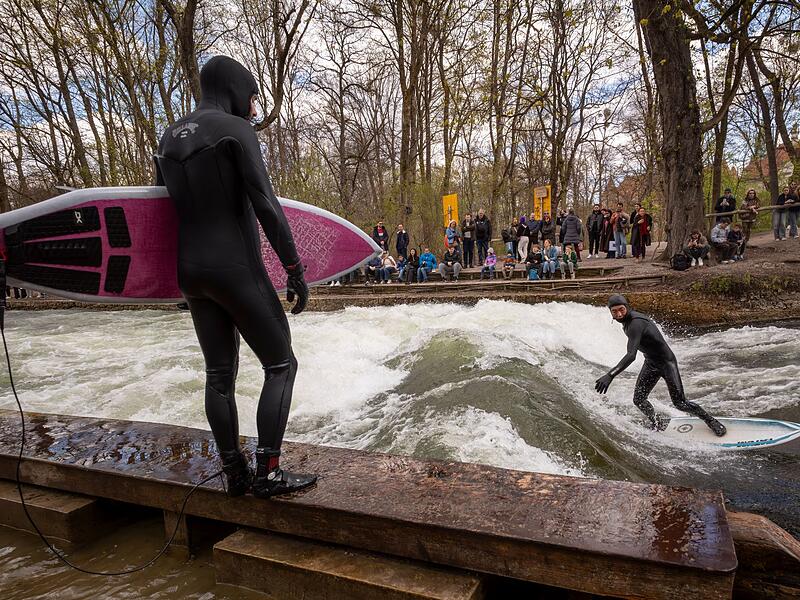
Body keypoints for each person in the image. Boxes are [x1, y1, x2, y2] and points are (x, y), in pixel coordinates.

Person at [155, 55, 315, 498]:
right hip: (235, 268)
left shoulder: (168, 138)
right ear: (233, 89)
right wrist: (294, 269)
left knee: (218, 375)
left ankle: (234, 473)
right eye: (252, 96)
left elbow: (157, 213)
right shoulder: (235, 130)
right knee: (282, 364)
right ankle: (268, 471)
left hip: (192, 274)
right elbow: (266, 204)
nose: (253, 107)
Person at [595, 295, 726, 436]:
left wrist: (610, 375)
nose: (619, 314)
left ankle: (711, 421)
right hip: (651, 363)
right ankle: (657, 422)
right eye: (614, 311)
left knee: (680, 402)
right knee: (639, 400)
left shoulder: (635, 323)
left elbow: (631, 355)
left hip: (666, 363)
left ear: (628, 307)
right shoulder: (626, 322)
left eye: (621, 309)